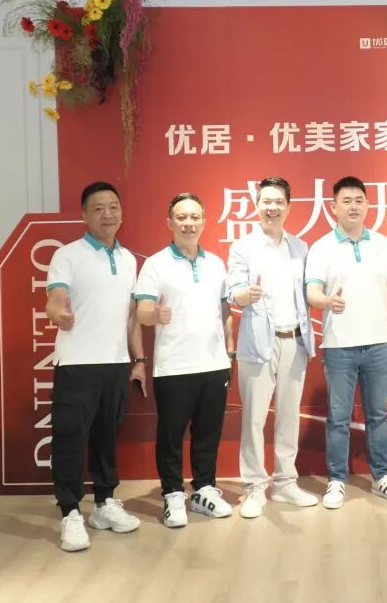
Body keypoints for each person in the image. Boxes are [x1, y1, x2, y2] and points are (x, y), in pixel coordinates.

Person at [46, 181, 143, 552]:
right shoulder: (67, 255)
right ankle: (70, 512)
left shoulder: (130, 258)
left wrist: (138, 361)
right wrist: (59, 315)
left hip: (115, 363)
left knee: (106, 437)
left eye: (113, 207)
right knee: (70, 439)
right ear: (84, 215)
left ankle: (104, 503)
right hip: (77, 363)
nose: (108, 214)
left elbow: (131, 316)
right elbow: (54, 298)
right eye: (99, 208)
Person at [305, 176, 387, 509]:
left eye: (359, 200)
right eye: (346, 201)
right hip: (339, 347)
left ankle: (382, 477)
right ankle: (337, 480)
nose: (353, 206)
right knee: (338, 417)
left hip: (379, 344)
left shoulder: (383, 244)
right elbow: (312, 291)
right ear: (333, 207)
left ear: (367, 205)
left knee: (378, 414)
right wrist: (326, 302)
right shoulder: (321, 247)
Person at [133, 193, 236, 527]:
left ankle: (204, 490)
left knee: (208, 434)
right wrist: (155, 314)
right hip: (174, 366)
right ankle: (173, 494)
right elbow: (142, 312)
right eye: (181, 217)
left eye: (194, 217)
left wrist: (229, 350)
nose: (188, 223)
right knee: (171, 435)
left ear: (204, 222)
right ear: (170, 222)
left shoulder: (215, 263)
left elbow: (225, 310)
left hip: (214, 364)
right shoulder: (155, 264)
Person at [227, 177, 319, 519]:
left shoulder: (301, 247)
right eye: (266, 201)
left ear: (288, 207)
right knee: (253, 418)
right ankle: (254, 486)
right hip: (258, 344)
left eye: (279, 201)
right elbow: (233, 291)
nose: (272, 207)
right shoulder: (243, 247)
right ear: (256, 205)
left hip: (295, 340)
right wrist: (245, 295)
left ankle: (284, 482)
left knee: (288, 416)